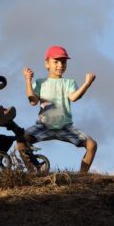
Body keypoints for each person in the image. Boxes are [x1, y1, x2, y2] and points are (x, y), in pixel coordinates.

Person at [17, 45, 98, 173]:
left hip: (65, 126)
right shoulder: (40, 83)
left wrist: (87, 83)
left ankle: (82, 177)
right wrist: (28, 80)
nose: (60, 65)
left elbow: (74, 97)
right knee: (21, 141)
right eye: (56, 62)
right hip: (44, 126)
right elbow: (32, 101)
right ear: (47, 64)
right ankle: (32, 172)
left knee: (92, 145)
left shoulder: (68, 83)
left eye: (63, 62)